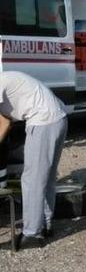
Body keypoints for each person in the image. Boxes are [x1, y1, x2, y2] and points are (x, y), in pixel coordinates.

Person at [0, 72, 68, 249]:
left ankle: (32, 233)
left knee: (32, 180)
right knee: (45, 176)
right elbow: (6, 122)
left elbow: (2, 124)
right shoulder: (6, 79)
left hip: (43, 121)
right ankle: (45, 223)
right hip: (57, 118)